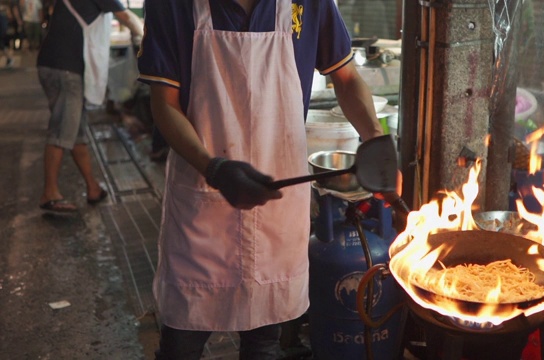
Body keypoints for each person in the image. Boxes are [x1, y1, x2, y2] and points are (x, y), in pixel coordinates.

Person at [137, 0, 398, 358]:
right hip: (203, 197)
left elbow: (348, 78)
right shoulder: (174, 6)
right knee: (183, 337)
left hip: (277, 200)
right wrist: (213, 168)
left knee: (264, 340)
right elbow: (164, 104)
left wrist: (374, 139)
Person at [36, 0, 144, 213]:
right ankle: (49, 192)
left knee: (76, 130)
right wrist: (149, 37)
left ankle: (92, 187)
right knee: (62, 129)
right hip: (66, 69)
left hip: (55, 65)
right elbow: (127, 17)